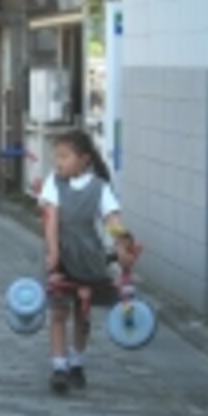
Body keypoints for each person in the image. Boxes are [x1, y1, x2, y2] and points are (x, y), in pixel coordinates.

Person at [39, 129, 140, 394]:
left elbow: (113, 221)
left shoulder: (99, 188)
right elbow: (51, 220)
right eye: (55, 157)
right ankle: (59, 367)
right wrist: (53, 252)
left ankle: (77, 362)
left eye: (64, 156)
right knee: (58, 310)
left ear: (84, 159)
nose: (57, 162)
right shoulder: (54, 182)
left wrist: (124, 245)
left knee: (82, 311)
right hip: (61, 254)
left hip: (89, 257)